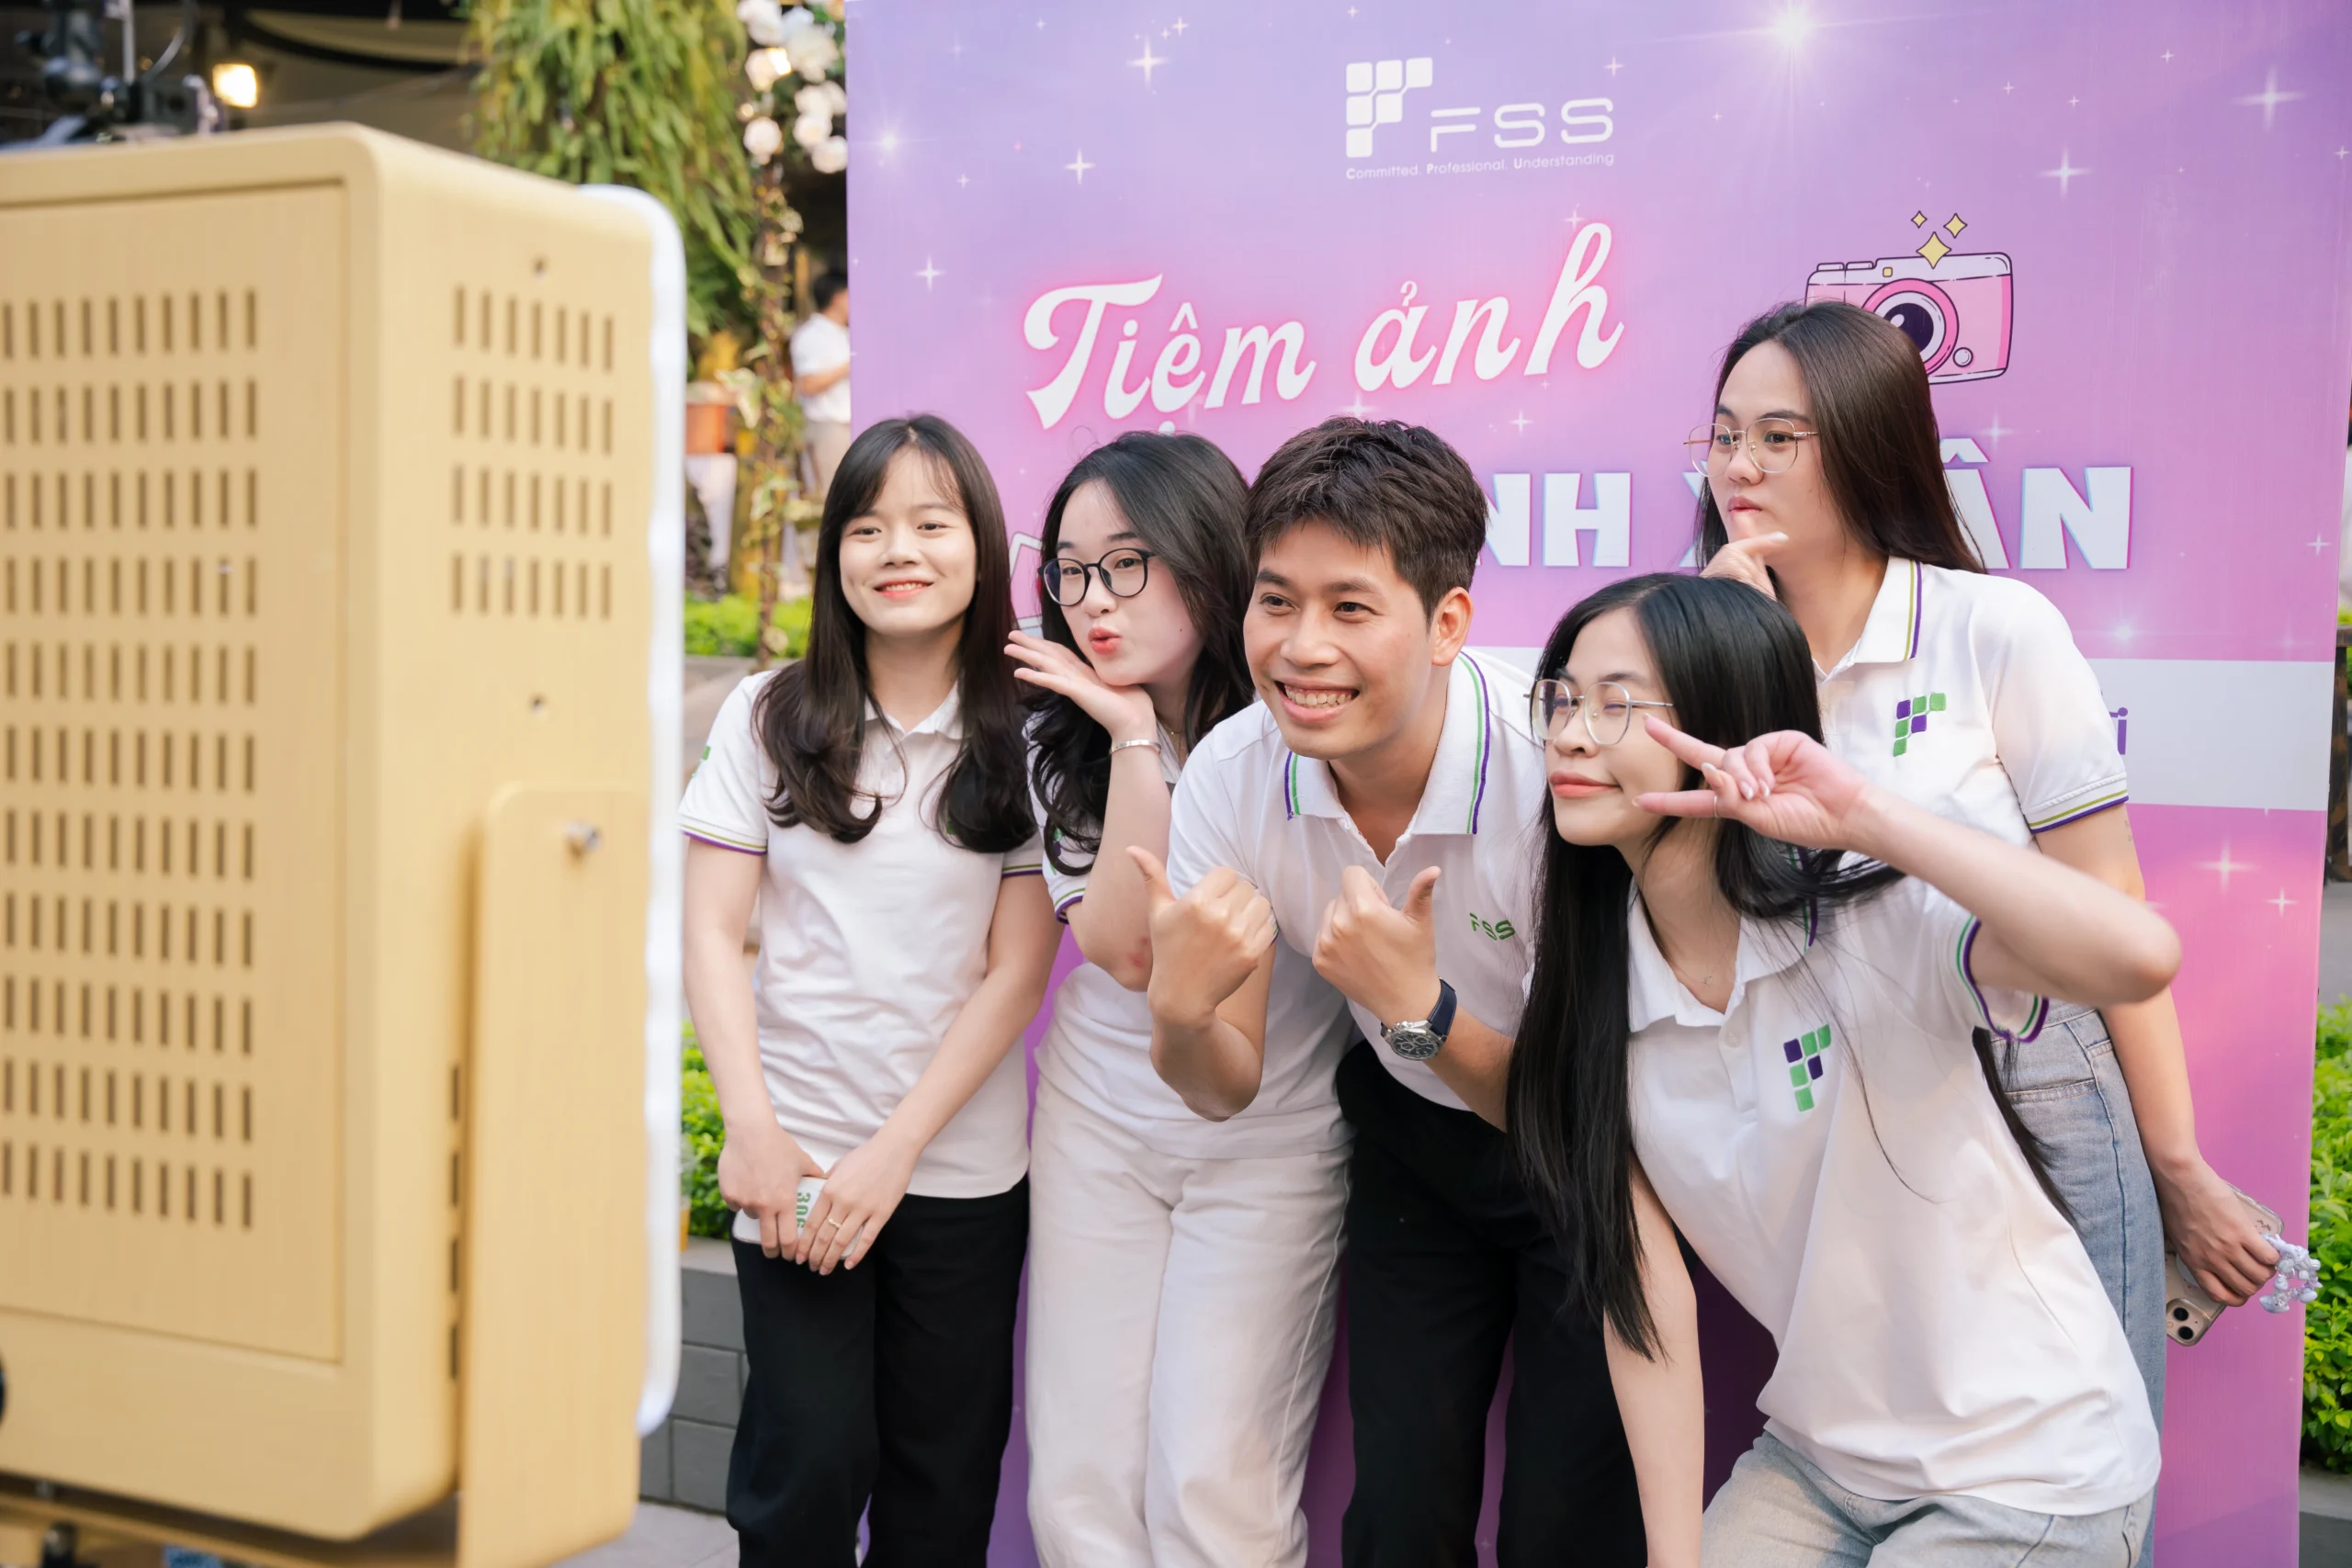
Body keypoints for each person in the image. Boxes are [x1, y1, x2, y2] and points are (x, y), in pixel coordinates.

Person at [1692, 299, 2277, 1448]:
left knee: (2080, 1450)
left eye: (1778, 437)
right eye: (1722, 434)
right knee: (1881, 1455)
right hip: (1824, 1109)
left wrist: (2176, 1167)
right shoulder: (1699, 644)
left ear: (1865, 444)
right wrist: (1728, 649)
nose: (1738, 467)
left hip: (2027, 1084)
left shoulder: (1993, 628)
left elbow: (2109, 914)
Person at [1513, 571, 2171, 1566]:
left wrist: (1865, 815)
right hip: (1819, 1465)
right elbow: (1642, 1304)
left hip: (2027, 1468)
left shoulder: (1872, 921)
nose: (1569, 733)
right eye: (1561, 698)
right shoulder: (1585, 984)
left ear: (1726, 721)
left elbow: (2139, 956)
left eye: (1617, 704)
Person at [1131, 417, 1645, 1568]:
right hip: (1417, 1150)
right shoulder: (1232, 773)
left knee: (1567, 1522)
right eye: (1275, 601)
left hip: (1590, 1154)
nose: (1301, 647)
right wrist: (1178, 1011)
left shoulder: (1552, 766)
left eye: (1350, 608)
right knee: (1399, 1516)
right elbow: (1221, 1086)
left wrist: (1420, 1013)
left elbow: (1579, 1103)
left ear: (1448, 623)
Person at [678, 414, 1057, 1567]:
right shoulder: (766, 713)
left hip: (958, 1172)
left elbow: (1018, 971)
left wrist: (895, 1151)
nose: (899, 550)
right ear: (835, 552)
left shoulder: (1029, 732)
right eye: (867, 527)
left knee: (941, 1486)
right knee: (805, 1470)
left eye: (932, 524)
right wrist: (750, 1131)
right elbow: (711, 931)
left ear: (981, 548)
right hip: (793, 1161)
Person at [1007, 432, 1353, 1567]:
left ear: (1207, 558)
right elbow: (1123, 951)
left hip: (1270, 1140)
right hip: (1100, 1127)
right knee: (1080, 1484)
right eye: (1069, 571)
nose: (1092, 602)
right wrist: (1129, 739)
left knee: (1215, 1488)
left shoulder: (1306, 719)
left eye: (1126, 563)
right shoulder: (1060, 733)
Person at [791, 270, 853, 499]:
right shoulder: (811, 336)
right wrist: (849, 366)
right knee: (837, 496)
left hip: (852, 425)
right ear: (837, 298)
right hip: (828, 426)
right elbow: (807, 384)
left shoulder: (846, 333)